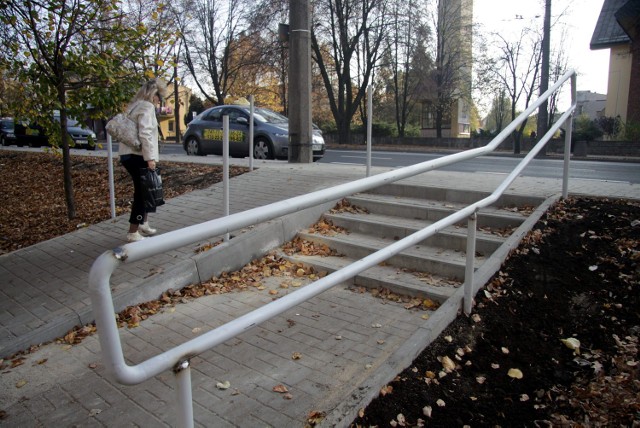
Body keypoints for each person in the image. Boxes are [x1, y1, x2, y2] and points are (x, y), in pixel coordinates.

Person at [119, 78, 167, 242]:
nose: (160, 101)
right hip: (138, 155)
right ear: (154, 95)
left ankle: (143, 223)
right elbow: (145, 133)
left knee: (145, 189)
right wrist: (150, 159)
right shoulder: (147, 107)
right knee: (141, 192)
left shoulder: (134, 106)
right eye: (159, 97)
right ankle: (133, 231)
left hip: (127, 154)